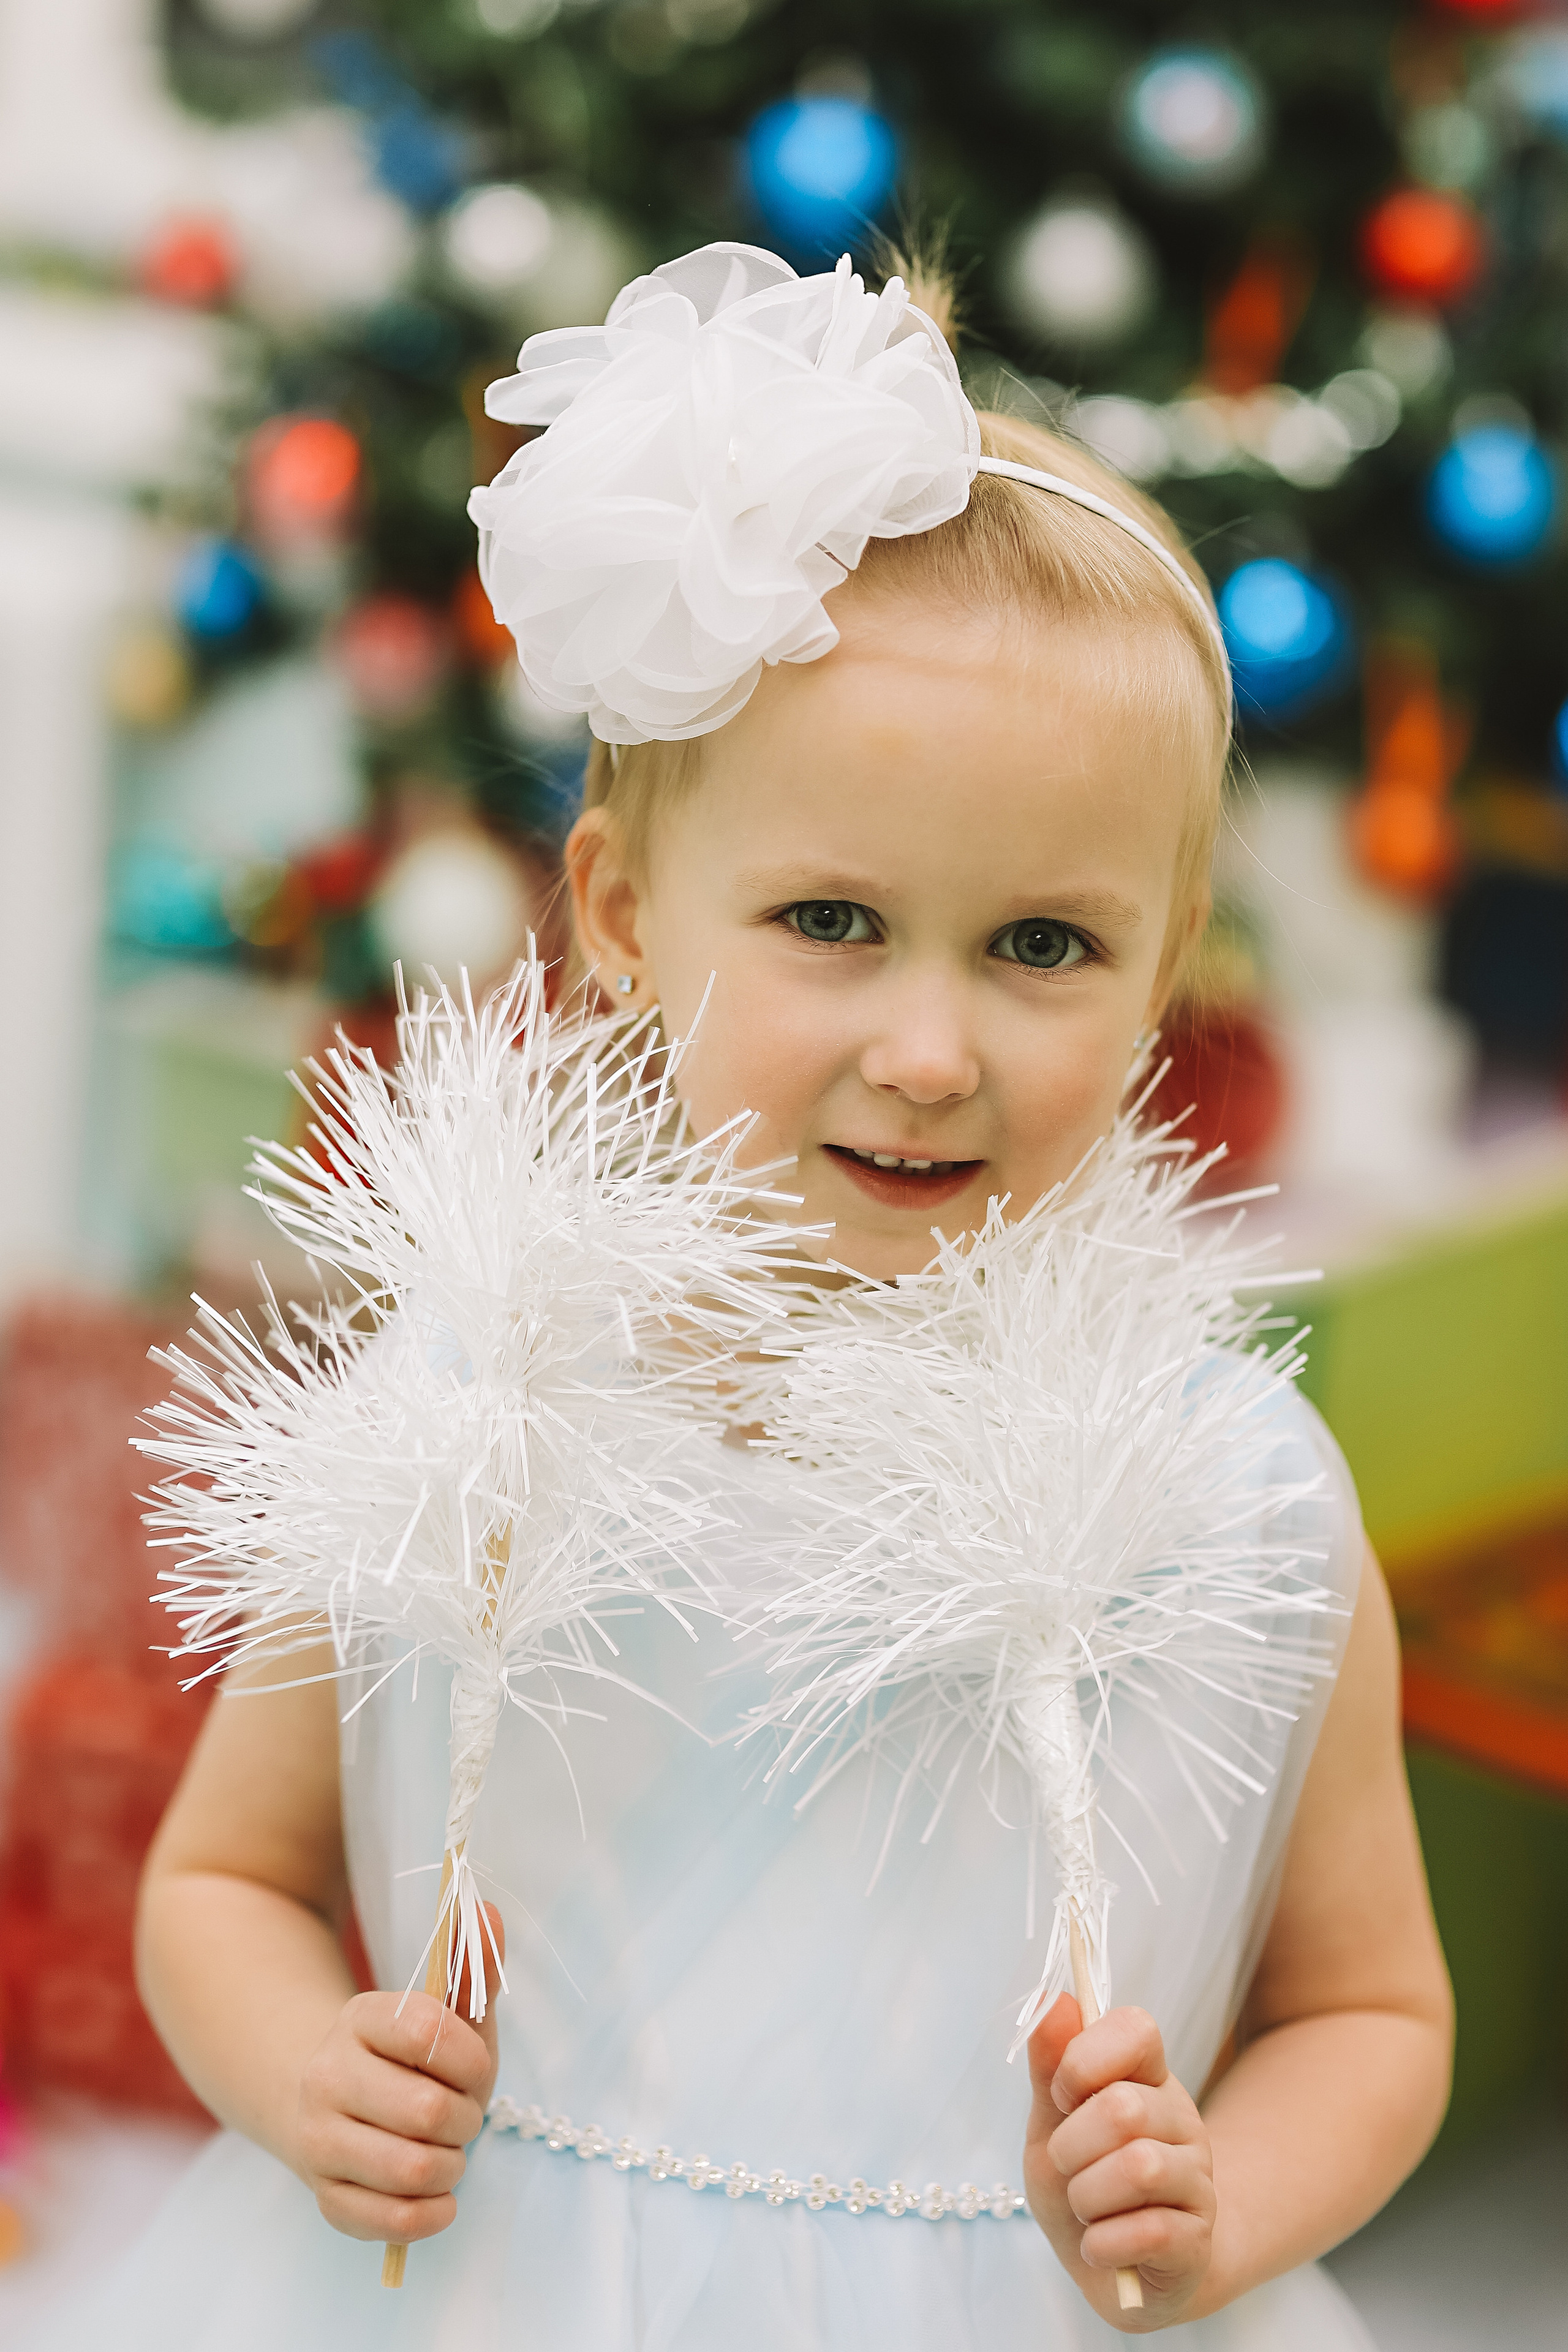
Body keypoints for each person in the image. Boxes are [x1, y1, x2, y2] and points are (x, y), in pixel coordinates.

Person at [39, 246, 1450, 2349]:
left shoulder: (1238, 1501)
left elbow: (1374, 2007)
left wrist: (1219, 2189)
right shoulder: (468, 1404)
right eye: (832, 921)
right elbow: (222, 1885)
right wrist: (303, 2074)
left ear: (1169, 965)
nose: (931, 1048)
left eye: (1043, 947)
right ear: (617, 909)